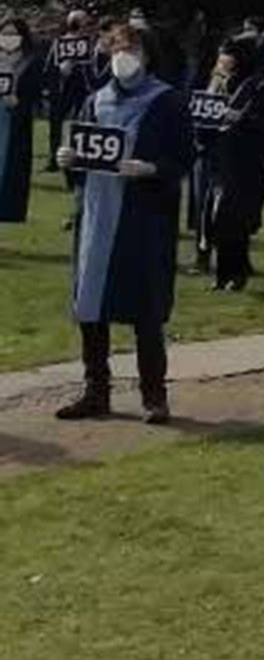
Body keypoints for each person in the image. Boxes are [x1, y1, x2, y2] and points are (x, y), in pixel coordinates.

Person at [52, 25, 193, 424]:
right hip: (97, 216)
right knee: (91, 306)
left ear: (147, 55)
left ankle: (154, 395)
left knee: (144, 309)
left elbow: (184, 158)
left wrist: (151, 168)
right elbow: (84, 159)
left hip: (142, 219)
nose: (122, 55)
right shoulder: (95, 101)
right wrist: (70, 162)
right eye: (116, 48)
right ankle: (96, 391)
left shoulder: (167, 102)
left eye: (131, 48)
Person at [201, 39, 264, 293]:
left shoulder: (259, 86)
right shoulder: (219, 83)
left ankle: (238, 274)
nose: (223, 61)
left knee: (235, 222)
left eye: (228, 56)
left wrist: (241, 118)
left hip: (247, 164)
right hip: (220, 160)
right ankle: (222, 274)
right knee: (216, 220)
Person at [0, 18, 45, 225]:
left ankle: (8, 210)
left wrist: (19, 102)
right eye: (5, 33)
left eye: (13, 34)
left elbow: (36, 93)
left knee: (11, 167)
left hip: (16, 122)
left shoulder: (32, 61)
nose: (9, 38)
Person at [47, 9, 102, 174]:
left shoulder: (91, 46)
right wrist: (63, 69)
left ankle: (81, 158)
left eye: (87, 23)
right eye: (83, 22)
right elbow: (49, 69)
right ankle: (54, 159)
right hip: (61, 91)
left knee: (83, 124)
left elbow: (95, 70)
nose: (86, 26)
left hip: (83, 91)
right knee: (56, 125)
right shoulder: (60, 44)